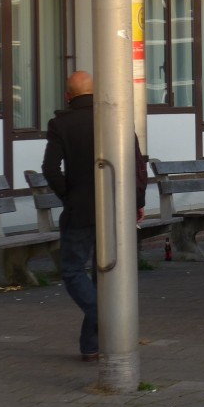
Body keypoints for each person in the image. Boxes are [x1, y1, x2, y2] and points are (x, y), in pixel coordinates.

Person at [42, 71, 146, 362]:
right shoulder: (118, 119)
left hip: (80, 210)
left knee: (73, 269)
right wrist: (136, 202)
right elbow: (136, 166)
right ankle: (91, 344)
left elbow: (50, 169)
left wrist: (69, 195)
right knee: (105, 272)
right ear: (97, 91)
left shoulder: (60, 124)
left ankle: (101, 322)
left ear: (67, 96)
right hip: (117, 207)